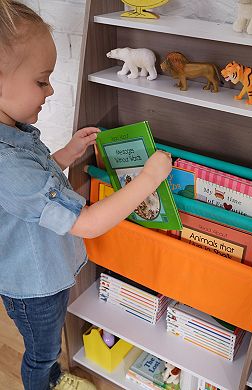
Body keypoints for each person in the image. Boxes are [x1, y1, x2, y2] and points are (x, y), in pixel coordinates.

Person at [0, 1, 172, 389]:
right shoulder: (5, 164)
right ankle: (44, 381)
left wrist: (64, 155)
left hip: (43, 275)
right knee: (42, 352)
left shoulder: (11, 137)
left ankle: (50, 374)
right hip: (34, 288)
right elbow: (88, 224)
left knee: (49, 341)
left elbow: (34, 188)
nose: (51, 89)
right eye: (41, 81)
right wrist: (148, 179)